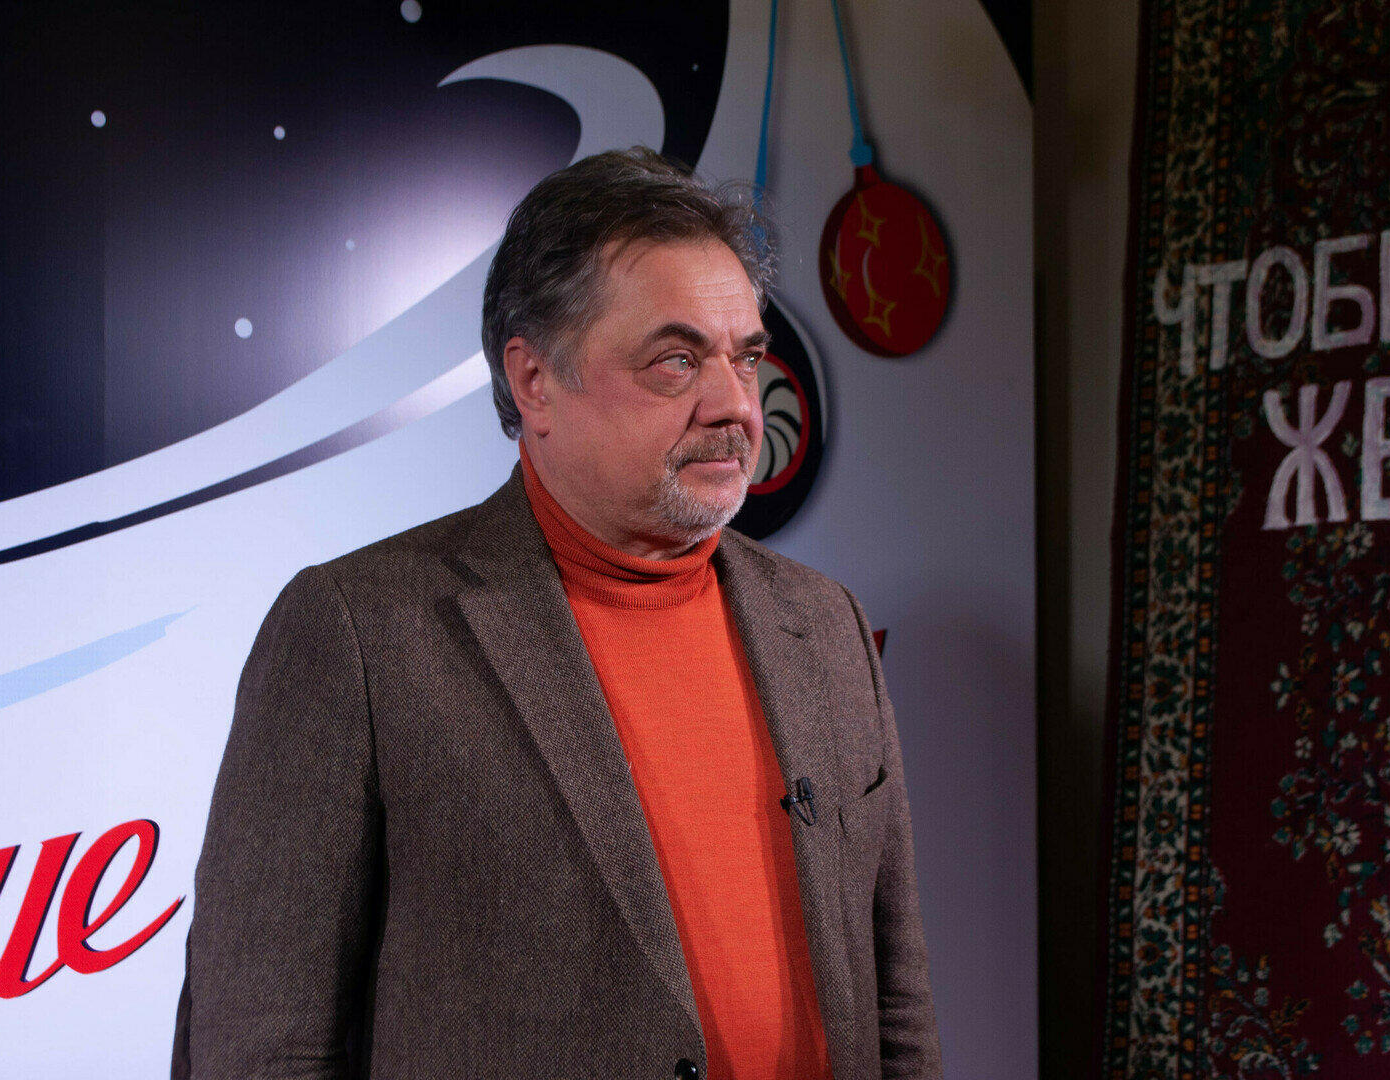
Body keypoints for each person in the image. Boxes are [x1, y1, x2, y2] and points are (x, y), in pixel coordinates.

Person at [173, 148, 941, 1080]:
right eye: (675, 361)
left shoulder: (823, 622)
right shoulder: (357, 633)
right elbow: (259, 1045)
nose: (735, 405)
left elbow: (895, 1000)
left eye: (744, 357)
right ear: (535, 380)